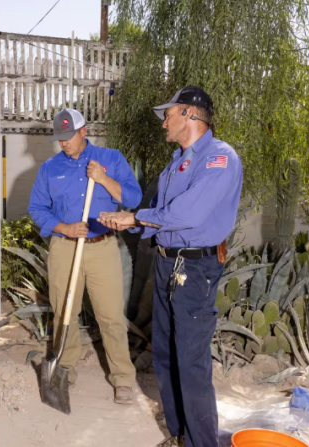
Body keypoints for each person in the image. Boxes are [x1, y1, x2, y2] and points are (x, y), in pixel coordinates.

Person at [99, 86, 243, 447]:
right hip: (168, 265)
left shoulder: (219, 159)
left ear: (190, 115)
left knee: (191, 362)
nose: (164, 121)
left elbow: (187, 214)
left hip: (194, 271)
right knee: (164, 354)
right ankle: (181, 435)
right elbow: (161, 217)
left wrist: (136, 217)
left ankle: (201, 444)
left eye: (169, 114)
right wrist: (129, 221)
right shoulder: (176, 163)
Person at [28, 108, 142, 404]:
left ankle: (122, 378)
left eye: (68, 137)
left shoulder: (111, 159)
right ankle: (65, 370)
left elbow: (133, 198)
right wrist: (65, 227)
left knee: (111, 316)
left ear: (84, 132)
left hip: (103, 247)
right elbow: (36, 209)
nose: (63, 143)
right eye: (59, 138)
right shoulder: (50, 168)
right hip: (65, 248)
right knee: (65, 312)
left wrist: (103, 178)